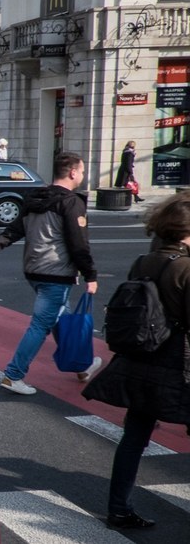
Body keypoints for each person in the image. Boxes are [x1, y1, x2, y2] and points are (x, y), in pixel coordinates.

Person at [83, 194, 190, 530]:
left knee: (134, 437)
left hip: (141, 359)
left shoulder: (144, 261)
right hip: (179, 365)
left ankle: (119, 508)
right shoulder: (185, 268)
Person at [0, 151, 102, 395]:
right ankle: (13, 375)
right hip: (56, 272)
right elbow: (78, 243)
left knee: (58, 319)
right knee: (41, 324)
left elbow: (14, 229)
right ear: (73, 172)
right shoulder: (72, 202)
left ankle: (82, 366)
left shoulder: (35, 197)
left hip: (33, 270)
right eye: (82, 171)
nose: (83, 175)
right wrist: (91, 274)